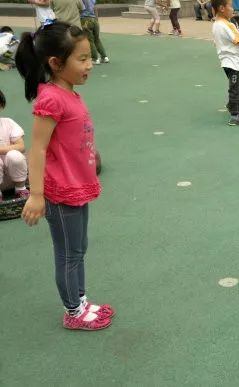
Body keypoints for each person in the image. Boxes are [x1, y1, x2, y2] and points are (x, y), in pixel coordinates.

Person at [15, 21, 114, 330]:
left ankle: (80, 301)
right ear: (56, 63)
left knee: (78, 248)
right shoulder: (51, 99)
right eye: (82, 59)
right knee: (69, 253)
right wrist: (36, 194)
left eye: (89, 57)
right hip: (61, 191)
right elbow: (38, 149)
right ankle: (73, 311)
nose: (89, 65)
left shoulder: (67, 93)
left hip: (77, 185)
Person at [211, 0, 239, 126]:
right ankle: (235, 115)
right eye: (230, 6)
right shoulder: (227, 25)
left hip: (227, 62)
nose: (233, 9)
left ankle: (233, 104)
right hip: (232, 62)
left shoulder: (216, 24)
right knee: (236, 88)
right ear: (221, 8)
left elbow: (215, 41)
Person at [0, 89, 29, 201]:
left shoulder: (8, 123)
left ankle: (21, 190)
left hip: (14, 179)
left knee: (15, 155)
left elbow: (21, 146)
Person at [80, 0, 110, 64]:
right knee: (97, 39)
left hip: (85, 19)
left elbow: (80, 8)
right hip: (94, 19)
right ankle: (104, 57)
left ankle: (95, 58)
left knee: (90, 40)